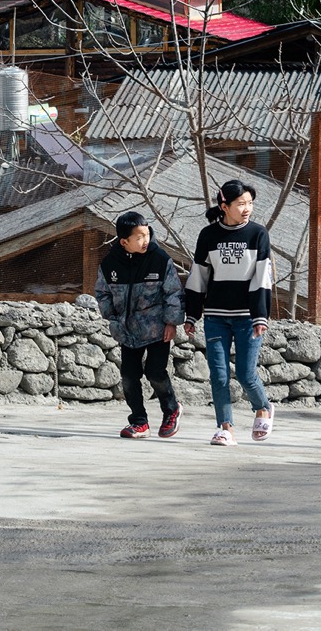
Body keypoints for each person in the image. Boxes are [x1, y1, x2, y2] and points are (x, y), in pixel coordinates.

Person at [184, 179, 274, 446]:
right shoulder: (208, 236)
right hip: (215, 316)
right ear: (224, 206)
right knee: (219, 375)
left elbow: (262, 278)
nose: (247, 208)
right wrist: (191, 314)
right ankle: (225, 428)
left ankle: (263, 408)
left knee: (246, 374)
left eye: (250, 203)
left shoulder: (258, 234)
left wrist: (260, 315)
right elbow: (198, 276)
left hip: (247, 317)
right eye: (240, 204)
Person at [95, 209, 184, 439]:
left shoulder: (160, 260)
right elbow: (102, 293)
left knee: (155, 372)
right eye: (139, 237)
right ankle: (139, 421)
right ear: (124, 242)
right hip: (127, 332)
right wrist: (113, 318)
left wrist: (172, 322)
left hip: (157, 330)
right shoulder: (109, 264)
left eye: (146, 234)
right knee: (128, 376)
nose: (145, 240)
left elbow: (174, 294)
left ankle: (171, 410)